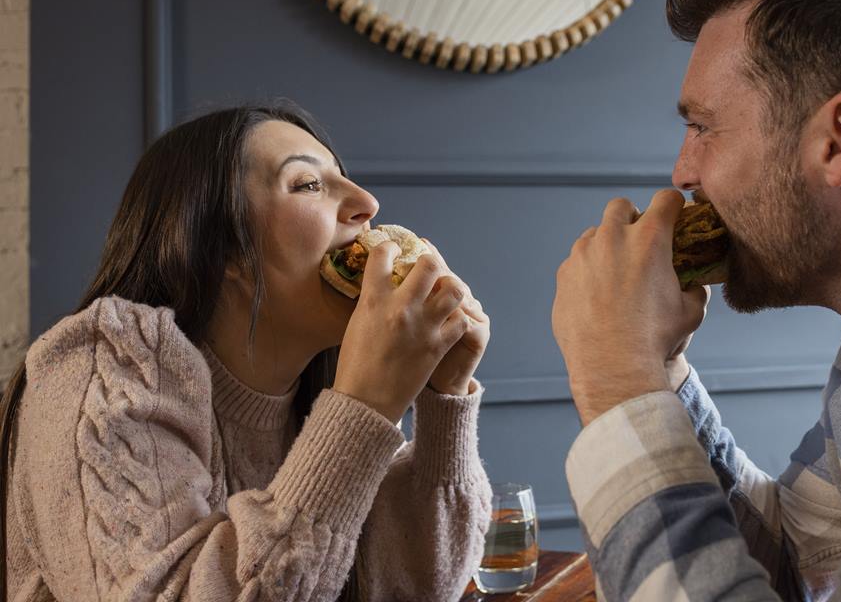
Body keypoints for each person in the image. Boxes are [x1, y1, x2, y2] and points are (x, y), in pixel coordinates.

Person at [552, 0, 841, 600]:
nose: (682, 172)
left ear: (838, 138)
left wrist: (617, 383)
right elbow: (800, 563)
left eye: (703, 127)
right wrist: (655, 370)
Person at [0, 102, 493, 602]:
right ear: (225, 249)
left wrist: (443, 395)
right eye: (307, 184)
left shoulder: (317, 396)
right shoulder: (108, 366)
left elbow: (415, 588)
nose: (367, 203)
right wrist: (362, 407)